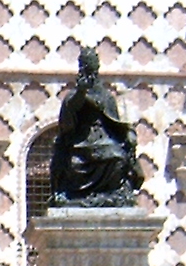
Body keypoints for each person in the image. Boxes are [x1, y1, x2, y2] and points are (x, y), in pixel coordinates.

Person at [51, 46, 143, 207]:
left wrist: (129, 134)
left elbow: (116, 122)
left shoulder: (106, 96)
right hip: (80, 142)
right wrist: (81, 92)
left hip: (104, 138)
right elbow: (68, 118)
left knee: (117, 157)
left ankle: (113, 193)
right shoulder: (75, 94)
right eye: (86, 66)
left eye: (92, 66)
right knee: (75, 163)